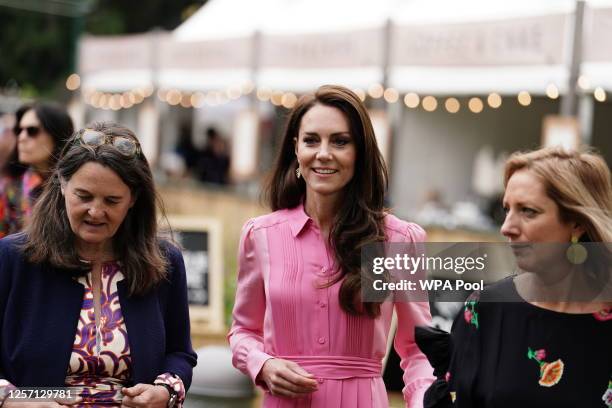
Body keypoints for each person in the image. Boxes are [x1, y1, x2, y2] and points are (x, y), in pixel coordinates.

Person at [228, 85, 434, 407]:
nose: (323, 153)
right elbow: (243, 331)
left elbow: (419, 347)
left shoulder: (398, 240)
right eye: (312, 140)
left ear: (360, 153)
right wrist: (263, 364)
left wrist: (423, 401)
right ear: (296, 149)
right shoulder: (261, 235)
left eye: (340, 141)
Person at [0, 122, 197, 407]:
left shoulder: (165, 262)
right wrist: (18, 399)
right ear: (62, 185)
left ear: (133, 199)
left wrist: (165, 391)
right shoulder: (12, 258)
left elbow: (180, 353)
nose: (95, 211)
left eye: (112, 200)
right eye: (84, 196)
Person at [417, 147, 611, 408]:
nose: (507, 227)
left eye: (528, 211)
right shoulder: (485, 309)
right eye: (506, 209)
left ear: (577, 223)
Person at [0, 102, 73, 238]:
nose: (21, 137)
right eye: (19, 130)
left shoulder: (74, 187)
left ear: (56, 134)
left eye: (31, 130)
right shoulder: (10, 189)